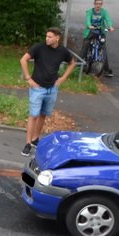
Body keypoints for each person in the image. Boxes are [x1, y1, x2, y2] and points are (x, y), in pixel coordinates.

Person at [19, 27, 77, 156]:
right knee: (33, 115)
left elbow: (72, 63)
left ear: (57, 38)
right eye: (46, 36)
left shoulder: (62, 51)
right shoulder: (39, 48)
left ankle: (35, 139)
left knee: (43, 114)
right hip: (37, 88)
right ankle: (27, 143)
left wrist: (63, 78)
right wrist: (28, 78)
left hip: (52, 88)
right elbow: (23, 59)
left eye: (50, 37)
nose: (47, 39)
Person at [82, 0, 114, 77]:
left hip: (100, 31)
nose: (98, 5)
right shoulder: (90, 12)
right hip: (90, 31)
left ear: (102, 5)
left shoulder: (104, 12)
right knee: (85, 46)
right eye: (97, 4)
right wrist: (89, 25)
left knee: (104, 49)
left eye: (100, 4)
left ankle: (106, 70)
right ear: (94, 4)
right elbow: (88, 19)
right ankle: (80, 65)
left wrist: (110, 26)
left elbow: (108, 19)